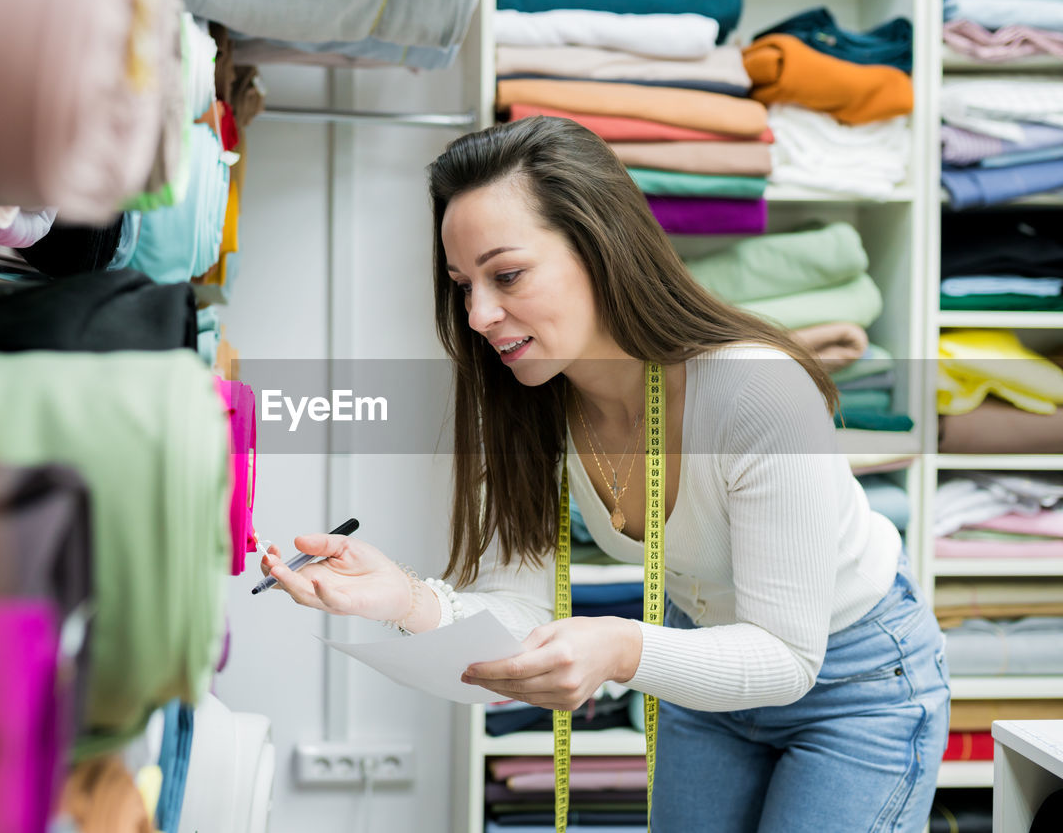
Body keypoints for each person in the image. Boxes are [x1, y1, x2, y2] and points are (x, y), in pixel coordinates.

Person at [261, 116, 950, 831]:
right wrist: (403, 598)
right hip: (707, 667)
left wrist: (622, 646)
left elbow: (786, 657)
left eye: (508, 275)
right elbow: (522, 610)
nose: (477, 314)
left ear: (599, 247)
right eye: (463, 285)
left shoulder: (755, 392)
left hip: (856, 682)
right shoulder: (535, 402)